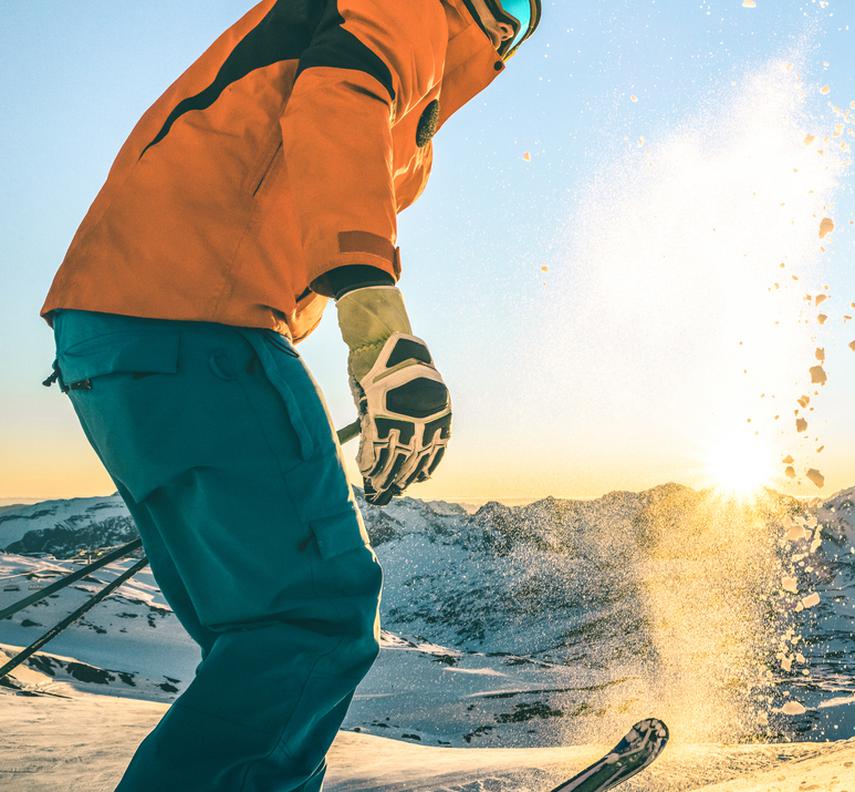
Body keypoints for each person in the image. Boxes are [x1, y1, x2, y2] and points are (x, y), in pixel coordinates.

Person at [38, 1, 539, 788]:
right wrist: (378, 329)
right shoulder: (405, 8)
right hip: (197, 320)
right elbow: (337, 97)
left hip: (120, 337)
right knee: (311, 622)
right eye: (505, 5)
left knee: (259, 639)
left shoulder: (411, 104)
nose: (507, 23)